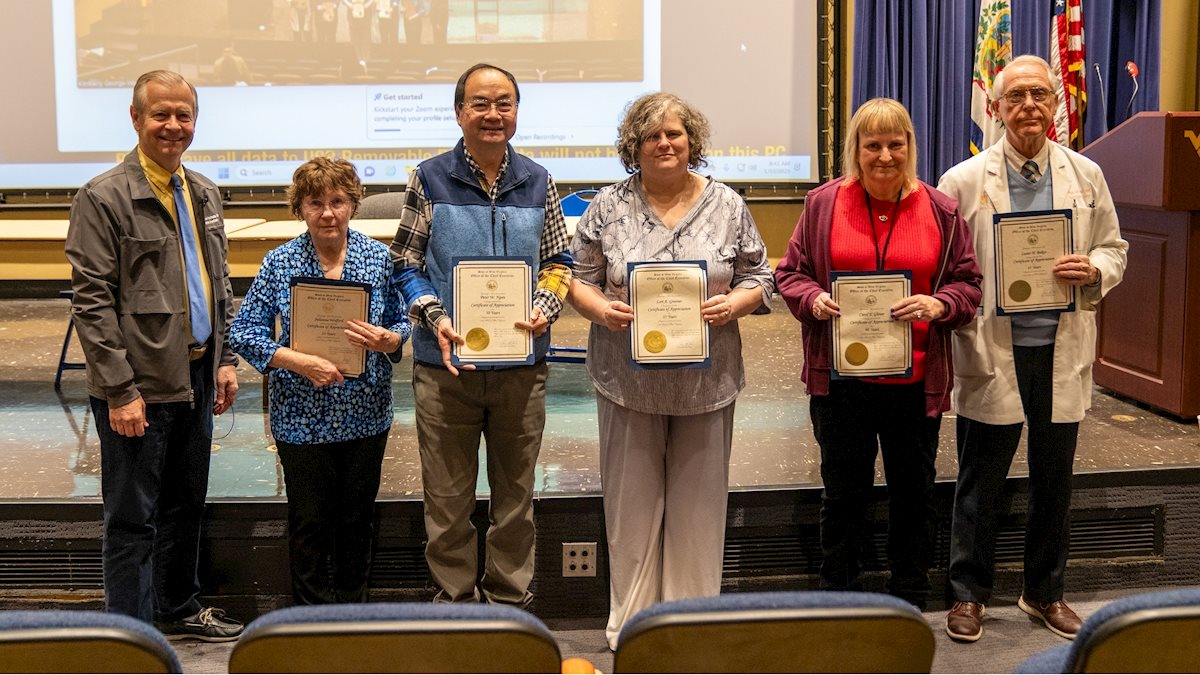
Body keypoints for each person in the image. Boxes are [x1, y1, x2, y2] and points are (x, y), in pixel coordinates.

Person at [568, 92, 774, 649]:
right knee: (630, 512)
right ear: (633, 147)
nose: (664, 143)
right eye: (651, 136)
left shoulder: (728, 203)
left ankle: (691, 623)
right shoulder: (607, 205)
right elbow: (576, 278)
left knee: (699, 511)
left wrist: (736, 304)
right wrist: (599, 309)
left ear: (692, 142)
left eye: (675, 134)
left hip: (707, 382)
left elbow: (761, 276)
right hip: (626, 379)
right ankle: (631, 627)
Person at [938, 55, 1128, 642]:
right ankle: (968, 594)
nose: (1028, 106)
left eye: (1039, 95)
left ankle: (1044, 591)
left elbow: (1115, 248)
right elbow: (949, 268)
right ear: (994, 107)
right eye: (1015, 96)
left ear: (1054, 105)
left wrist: (1092, 267)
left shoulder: (1085, 174)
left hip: (1059, 349)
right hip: (994, 351)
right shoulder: (962, 181)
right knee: (980, 480)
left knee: (1055, 479)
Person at [775, 98, 982, 611]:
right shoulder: (823, 204)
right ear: (856, 150)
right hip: (841, 383)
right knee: (842, 496)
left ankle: (909, 598)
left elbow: (969, 286)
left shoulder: (942, 210)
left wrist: (939, 303)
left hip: (914, 384)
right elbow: (789, 274)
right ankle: (839, 599)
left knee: (914, 497)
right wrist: (811, 298)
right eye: (873, 145)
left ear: (910, 147)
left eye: (896, 143)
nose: (885, 155)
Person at [64, 70, 243, 640]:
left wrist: (226, 358)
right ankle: (130, 634)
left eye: (183, 115)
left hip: (195, 370)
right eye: (160, 114)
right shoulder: (102, 197)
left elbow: (219, 282)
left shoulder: (205, 192)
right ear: (136, 118)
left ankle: (180, 609)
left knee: (185, 505)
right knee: (133, 517)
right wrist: (120, 390)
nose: (173, 126)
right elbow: (91, 303)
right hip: (138, 381)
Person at [389, 63, 572, 607]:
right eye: (480, 103)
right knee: (447, 500)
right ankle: (456, 605)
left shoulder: (539, 180)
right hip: (446, 368)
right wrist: (434, 315)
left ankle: (509, 605)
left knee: (516, 499)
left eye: (504, 103)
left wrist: (544, 305)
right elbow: (405, 261)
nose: (493, 114)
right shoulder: (429, 178)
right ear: (459, 112)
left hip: (522, 370)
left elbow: (558, 262)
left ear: (516, 111)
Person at [228, 158, 410, 605]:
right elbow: (244, 331)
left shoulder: (378, 257)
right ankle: (309, 617)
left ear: (353, 205)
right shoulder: (280, 262)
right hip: (300, 417)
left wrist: (391, 339)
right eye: (316, 203)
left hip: (365, 415)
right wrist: (297, 361)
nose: (328, 212)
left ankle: (352, 613)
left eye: (338, 201)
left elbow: (401, 321)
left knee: (356, 520)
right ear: (300, 208)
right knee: (309, 521)